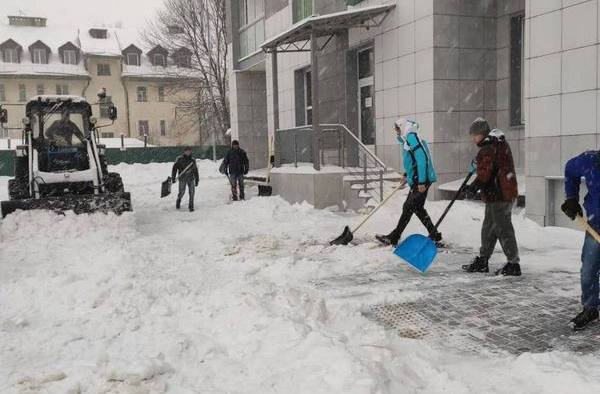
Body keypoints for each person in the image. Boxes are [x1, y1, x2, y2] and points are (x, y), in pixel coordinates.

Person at [462, 118, 520, 276]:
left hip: (499, 194)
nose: (473, 138)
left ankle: (513, 264)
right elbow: (491, 169)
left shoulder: (488, 148)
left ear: (481, 134)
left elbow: (485, 174)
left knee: (503, 228)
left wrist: (472, 187)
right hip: (500, 193)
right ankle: (483, 260)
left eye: (474, 135)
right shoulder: (497, 144)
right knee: (489, 229)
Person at [375, 118, 441, 247]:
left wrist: (421, 182)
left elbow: (421, 159)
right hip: (418, 179)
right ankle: (434, 234)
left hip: (421, 180)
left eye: (397, 128)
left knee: (409, 207)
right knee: (417, 208)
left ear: (403, 127)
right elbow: (413, 161)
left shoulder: (412, 137)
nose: (396, 131)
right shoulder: (409, 139)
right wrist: (407, 174)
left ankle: (394, 237)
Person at [561, 151, 600, 330]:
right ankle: (590, 308)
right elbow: (570, 168)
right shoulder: (592, 161)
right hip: (596, 226)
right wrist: (571, 199)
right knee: (588, 271)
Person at [171, 146, 199, 211]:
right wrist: (173, 177)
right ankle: (179, 199)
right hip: (182, 178)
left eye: (189, 151)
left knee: (192, 192)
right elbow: (174, 169)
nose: (188, 152)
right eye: (187, 151)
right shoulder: (179, 159)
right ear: (184, 152)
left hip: (191, 178)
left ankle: (191, 206)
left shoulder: (192, 160)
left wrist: (197, 179)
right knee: (182, 192)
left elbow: (195, 170)